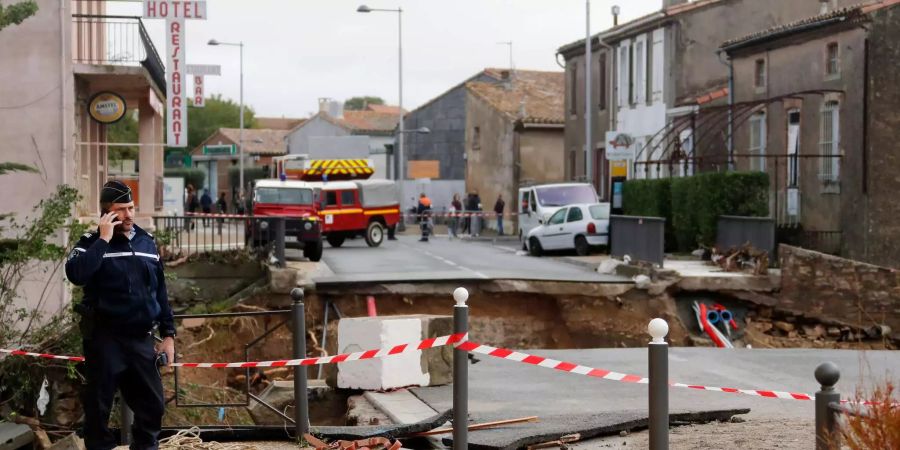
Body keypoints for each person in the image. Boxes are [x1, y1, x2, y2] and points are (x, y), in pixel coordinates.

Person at [65, 180, 175, 450]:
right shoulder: (90, 244)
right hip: (105, 339)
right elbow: (76, 274)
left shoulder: (147, 243)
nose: (129, 215)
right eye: (122, 210)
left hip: (140, 339)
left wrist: (169, 334)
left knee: (153, 406)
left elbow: (160, 291)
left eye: (131, 208)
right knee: (98, 412)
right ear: (107, 213)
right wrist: (103, 239)